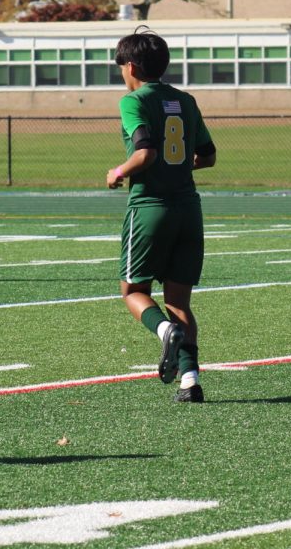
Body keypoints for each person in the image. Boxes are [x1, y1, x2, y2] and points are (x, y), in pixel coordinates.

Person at [106, 30, 216, 403]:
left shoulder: (132, 101)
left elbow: (145, 153)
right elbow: (207, 155)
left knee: (134, 291)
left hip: (150, 207)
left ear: (131, 66)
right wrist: (179, 166)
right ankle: (190, 381)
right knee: (180, 300)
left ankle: (164, 331)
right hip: (189, 209)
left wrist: (118, 172)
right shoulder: (185, 100)